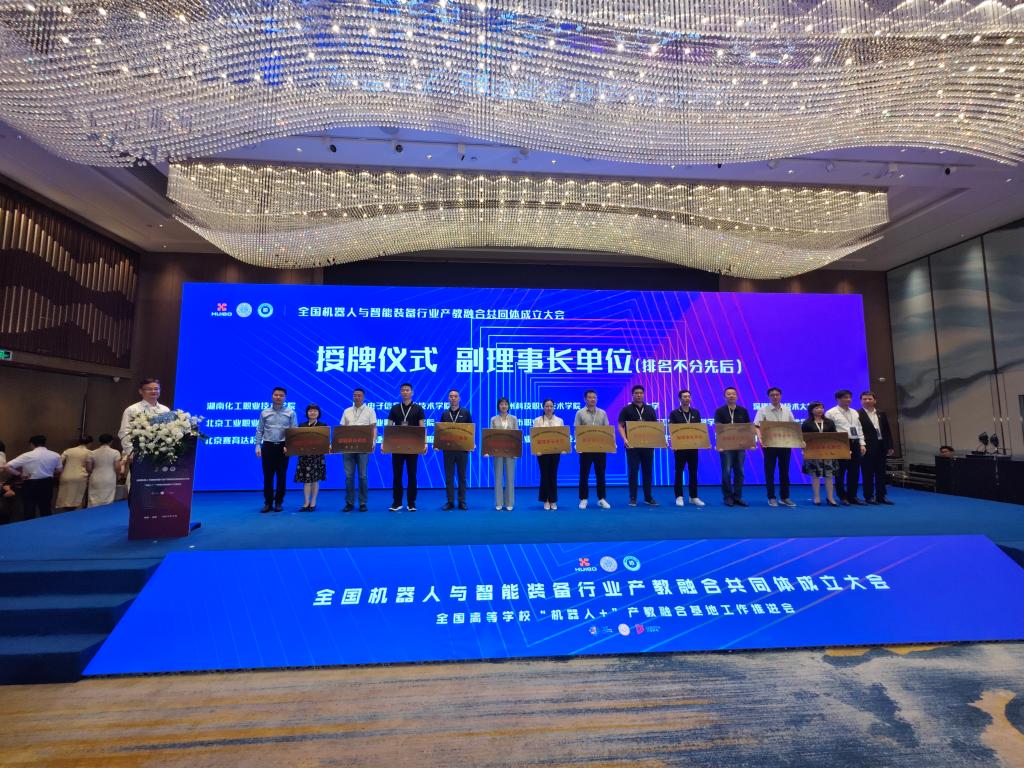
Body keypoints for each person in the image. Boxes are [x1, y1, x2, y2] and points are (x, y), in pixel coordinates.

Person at [255, 386, 297, 513]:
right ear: (272, 396)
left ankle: (278, 502)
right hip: (267, 447)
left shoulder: (290, 413)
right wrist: (257, 445)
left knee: (281, 476)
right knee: (268, 476)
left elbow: (293, 431)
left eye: (281, 395)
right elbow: (260, 430)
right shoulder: (264, 412)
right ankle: (268, 503)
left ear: (285, 398)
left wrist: (289, 445)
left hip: (283, 448)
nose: (278, 397)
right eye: (276, 395)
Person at [754, 387, 797, 508]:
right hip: (769, 445)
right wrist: (760, 439)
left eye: (777, 394)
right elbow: (756, 426)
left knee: (784, 471)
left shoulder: (787, 409)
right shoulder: (763, 410)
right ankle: (771, 497)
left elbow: (793, 426)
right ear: (769, 397)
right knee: (770, 471)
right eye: (772, 395)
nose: (775, 397)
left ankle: (784, 497)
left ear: (780, 396)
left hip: (785, 444)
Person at [617, 385, 660, 507]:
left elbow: (655, 427)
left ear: (644, 394)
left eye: (641, 393)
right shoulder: (627, 409)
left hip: (648, 445)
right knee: (633, 472)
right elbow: (620, 426)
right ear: (632, 395)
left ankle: (648, 497)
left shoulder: (650, 409)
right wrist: (625, 439)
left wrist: (658, 440)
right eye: (636, 393)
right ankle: (633, 498)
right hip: (632, 446)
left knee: (648, 471)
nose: (639, 395)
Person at [387, 383, 425, 512]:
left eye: (407, 390)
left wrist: (424, 443)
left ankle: (411, 503)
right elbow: (389, 427)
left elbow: (422, 427)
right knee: (397, 475)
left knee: (412, 475)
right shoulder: (395, 408)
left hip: (413, 447)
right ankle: (397, 502)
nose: (405, 392)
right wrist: (386, 443)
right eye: (403, 390)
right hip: (397, 447)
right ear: (400, 392)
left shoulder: (418, 408)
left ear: (412, 392)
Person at [4, 435, 62, 518]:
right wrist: (49, 472)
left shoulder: (27, 455)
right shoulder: (55, 455)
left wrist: (19, 475)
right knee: (46, 508)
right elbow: (59, 470)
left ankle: (30, 525)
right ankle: (47, 525)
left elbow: (6, 466)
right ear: (44, 443)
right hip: (47, 483)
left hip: (30, 484)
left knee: (29, 509)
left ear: (32, 444)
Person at [825, 390, 866, 505]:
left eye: (849, 397)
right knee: (840, 471)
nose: (848, 399)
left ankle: (852, 496)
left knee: (854, 471)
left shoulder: (854, 412)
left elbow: (859, 428)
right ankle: (842, 496)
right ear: (838, 399)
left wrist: (862, 443)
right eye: (845, 397)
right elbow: (829, 432)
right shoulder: (831, 413)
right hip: (841, 443)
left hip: (855, 442)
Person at [340, 388, 376, 512]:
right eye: (355, 395)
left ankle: (362, 502)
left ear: (363, 397)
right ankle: (349, 502)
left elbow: (373, 428)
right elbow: (342, 429)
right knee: (349, 476)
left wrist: (373, 442)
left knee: (362, 476)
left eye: (359, 395)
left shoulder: (370, 411)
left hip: (364, 447)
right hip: (348, 447)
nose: (357, 397)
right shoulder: (347, 411)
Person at [714, 386, 751, 507]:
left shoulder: (743, 411)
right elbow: (718, 428)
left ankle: (737, 497)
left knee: (740, 472)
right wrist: (719, 444)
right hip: (726, 446)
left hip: (740, 446)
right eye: (728, 394)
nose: (731, 396)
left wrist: (750, 443)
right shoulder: (720, 411)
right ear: (724, 397)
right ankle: (728, 497)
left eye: (733, 394)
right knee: (727, 472)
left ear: (737, 396)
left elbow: (748, 428)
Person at [668, 389, 705, 508]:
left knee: (693, 472)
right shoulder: (674, 413)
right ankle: (679, 496)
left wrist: (703, 442)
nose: (687, 398)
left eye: (689, 396)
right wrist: (674, 444)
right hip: (680, 448)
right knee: (679, 472)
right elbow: (672, 430)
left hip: (693, 447)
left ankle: (693, 497)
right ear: (680, 399)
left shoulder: (696, 412)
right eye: (684, 396)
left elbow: (699, 430)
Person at [575, 390, 611, 509]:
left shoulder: (602, 413)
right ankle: (583, 499)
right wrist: (579, 445)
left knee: (600, 474)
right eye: (590, 397)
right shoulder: (580, 413)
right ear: (585, 399)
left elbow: (607, 430)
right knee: (584, 474)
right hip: (585, 449)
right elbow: (577, 430)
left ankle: (601, 499)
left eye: (594, 397)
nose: (593, 399)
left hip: (600, 449)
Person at [859, 391, 895, 505]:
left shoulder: (881, 413)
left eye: (869, 399)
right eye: (864, 399)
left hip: (881, 446)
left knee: (881, 472)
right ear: (861, 401)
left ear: (875, 400)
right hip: (867, 447)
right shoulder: (857, 414)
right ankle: (868, 496)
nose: (867, 401)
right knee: (867, 473)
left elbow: (887, 430)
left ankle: (881, 496)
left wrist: (890, 445)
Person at [118, 378, 170, 457]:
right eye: (149, 389)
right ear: (140, 391)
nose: (153, 391)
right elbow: (124, 433)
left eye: (156, 389)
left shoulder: (165, 410)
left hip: (161, 455)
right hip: (139, 453)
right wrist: (132, 453)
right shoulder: (132, 409)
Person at [801, 402, 839, 506]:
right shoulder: (806, 423)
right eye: (817, 408)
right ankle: (816, 497)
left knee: (829, 475)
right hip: (813, 452)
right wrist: (803, 448)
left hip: (828, 452)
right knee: (815, 476)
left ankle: (830, 498)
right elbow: (802, 438)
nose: (820, 410)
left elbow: (835, 437)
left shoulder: (829, 422)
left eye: (821, 408)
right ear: (811, 410)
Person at [440, 389, 473, 511]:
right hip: (448, 450)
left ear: (459, 398)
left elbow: (470, 430)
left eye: (455, 396)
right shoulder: (445, 414)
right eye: (451, 396)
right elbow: (441, 431)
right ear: (448, 398)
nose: (453, 398)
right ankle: (450, 502)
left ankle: (462, 501)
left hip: (462, 450)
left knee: (462, 477)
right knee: (449, 477)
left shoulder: (466, 412)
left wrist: (471, 444)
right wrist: (438, 444)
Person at [294, 404, 327, 511]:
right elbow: (297, 441)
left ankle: (313, 502)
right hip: (304, 457)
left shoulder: (323, 425)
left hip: (317, 457)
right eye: (310, 411)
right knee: (306, 481)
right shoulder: (301, 426)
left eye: (315, 411)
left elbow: (325, 442)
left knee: (315, 481)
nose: (312, 413)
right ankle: (306, 503)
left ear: (318, 413)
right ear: (307, 413)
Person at [534, 399, 564, 509]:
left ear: (554, 407)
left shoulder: (559, 420)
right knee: (544, 475)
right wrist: (536, 450)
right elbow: (534, 437)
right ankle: (546, 499)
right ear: (543, 407)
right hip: (542, 453)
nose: (549, 408)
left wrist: (563, 448)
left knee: (553, 475)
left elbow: (562, 437)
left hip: (555, 452)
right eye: (546, 406)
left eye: (551, 406)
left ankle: (553, 500)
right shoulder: (538, 420)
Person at [490, 397, 518, 511]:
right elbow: (490, 436)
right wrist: (490, 451)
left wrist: (516, 451)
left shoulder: (514, 418)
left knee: (510, 478)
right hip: (498, 452)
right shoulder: (493, 419)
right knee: (498, 478)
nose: (504, 406)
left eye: (506, 404)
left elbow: (517, 435)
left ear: (508, 406)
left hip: (510, 452)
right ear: (498, 406)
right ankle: (499, 503)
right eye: (501, 404)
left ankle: (509, 503)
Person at [56, 436, 92, 510]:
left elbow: (59, 462)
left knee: (66, 496)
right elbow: (89, 467)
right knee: (77, 497)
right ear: (90, 443)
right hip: (80, 477)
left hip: (66, 475)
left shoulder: (68, 450)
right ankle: (76, 512)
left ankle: (66, 510)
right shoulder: (89, 452)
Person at [86, 433, 122, 507]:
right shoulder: (115, 452)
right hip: (110, 477)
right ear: (111, 441)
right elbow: (117, 467)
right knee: (108, 498)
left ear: (100, 441)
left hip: (95, 477)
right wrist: (118, 475)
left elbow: (88, 468)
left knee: (93, 498)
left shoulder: (92, 453)